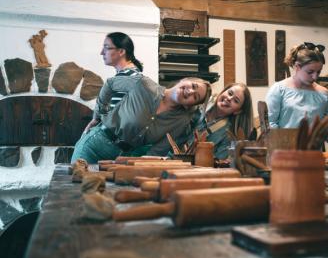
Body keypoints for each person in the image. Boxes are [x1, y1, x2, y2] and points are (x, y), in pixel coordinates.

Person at [71, 34, 212, 163]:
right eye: (193, 85)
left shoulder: (180, 122)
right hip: (94, 145)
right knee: (75, 187)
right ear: (184, 80)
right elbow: (110, 84)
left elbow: (157, 151)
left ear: (192, 104)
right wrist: (97, 116)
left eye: (196, 96)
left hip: (122, 158)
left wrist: (135, 165)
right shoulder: (143, 84)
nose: (190, 91)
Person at [266, 42, 328, 158]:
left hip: (312, 156)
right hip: (283, 155)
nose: (315, 77)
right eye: (310, 72)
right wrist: (283, 146)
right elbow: (270, 123)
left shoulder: (323, 94)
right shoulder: (279, 89)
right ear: (297, 66)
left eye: (318, 72)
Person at [192, 82, 254, 160]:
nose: (229, 98)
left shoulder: (228, 135)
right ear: (223, 91)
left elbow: (217, 163)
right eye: (230, 93)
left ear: (238, 111)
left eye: (236, 101)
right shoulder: (199, 103)